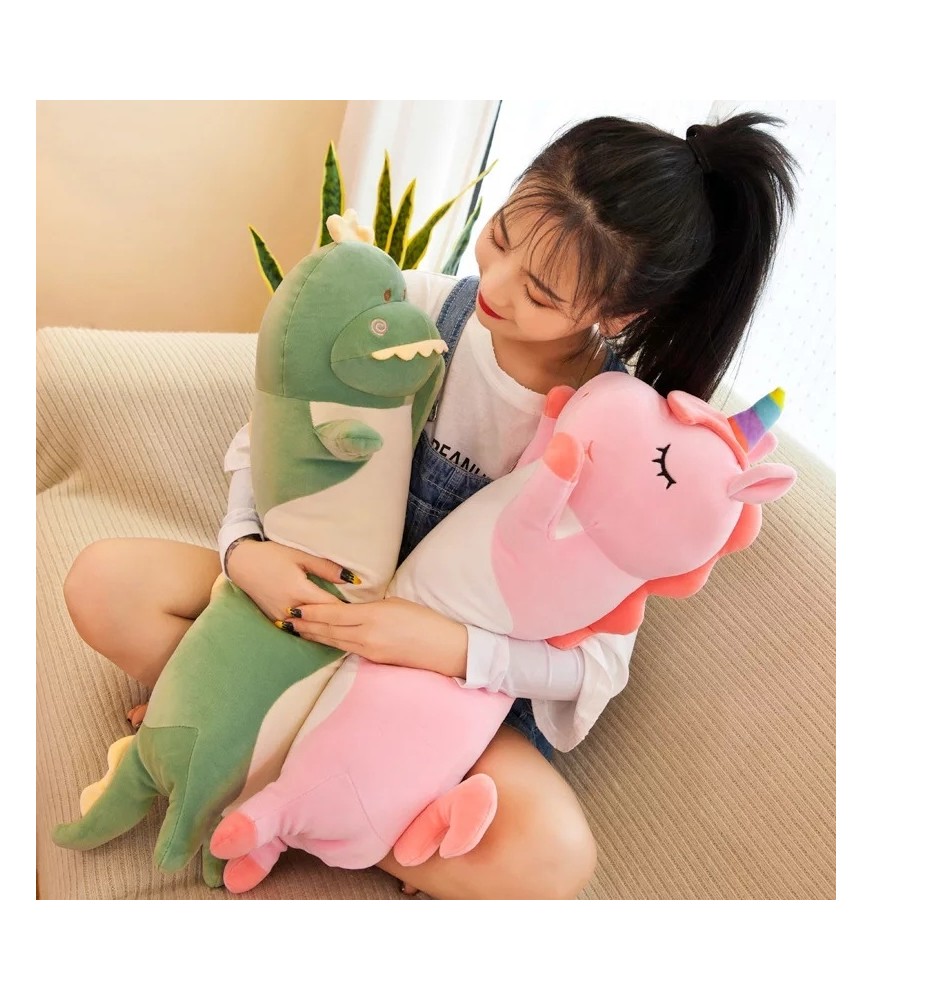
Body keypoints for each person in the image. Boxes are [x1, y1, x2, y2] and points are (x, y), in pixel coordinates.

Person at [63, 111, 798, 899]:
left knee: (553, 854)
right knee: (105, 582)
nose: (497, 287)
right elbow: (275, 434)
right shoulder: (411, 308)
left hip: (434, 695)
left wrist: (447, 647)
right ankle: (290, 763)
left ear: (618, 315)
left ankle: (264, 767)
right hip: (309, 614)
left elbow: (595, 665)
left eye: (541, 291)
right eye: (501, 237)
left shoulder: (625, 438)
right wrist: (249, 553)